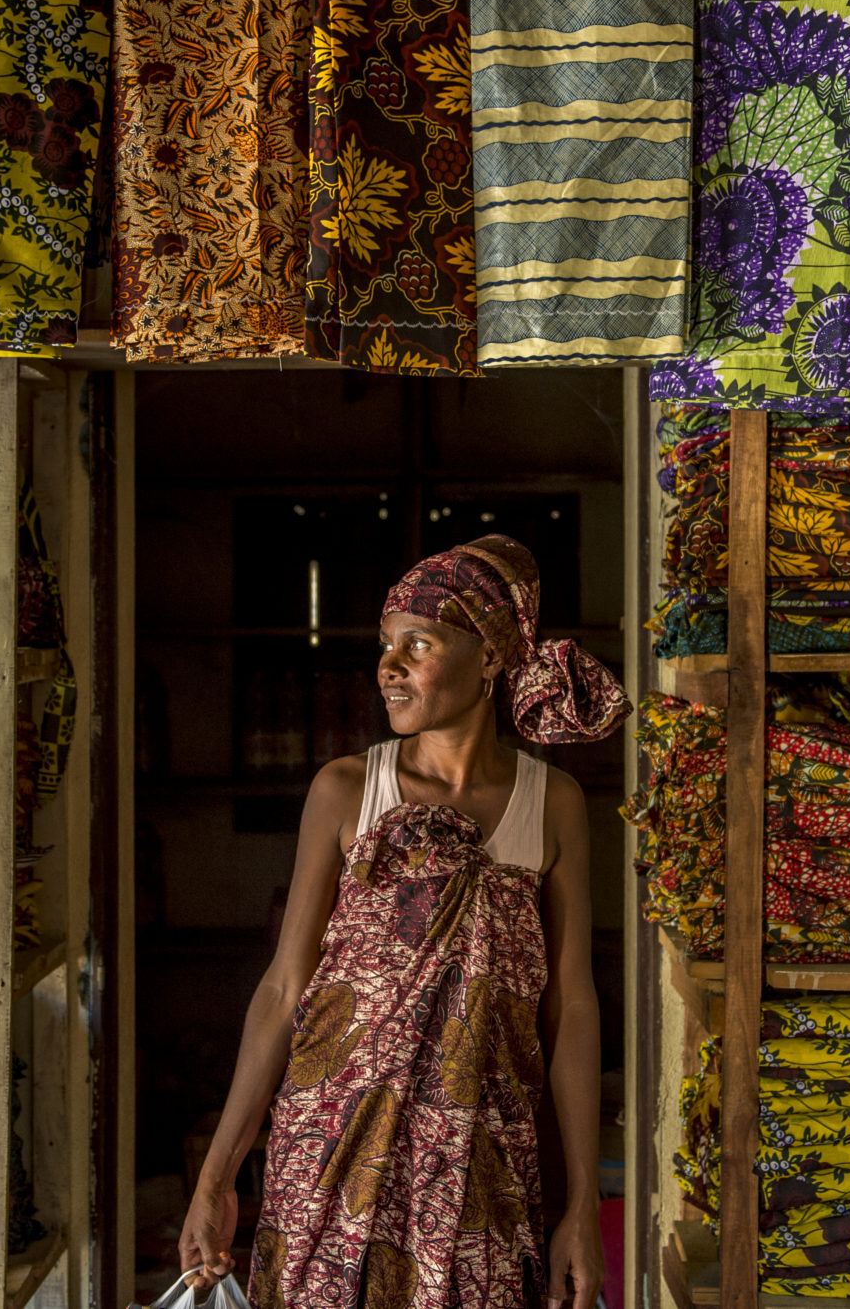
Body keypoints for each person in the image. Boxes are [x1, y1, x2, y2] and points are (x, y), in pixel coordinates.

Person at [177, 536, 631, 1309]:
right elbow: (285, 989)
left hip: (481, 1170)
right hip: (328, 1160)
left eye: (416, 644)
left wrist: (581, 1205)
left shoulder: (551, 805)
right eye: (386, 645)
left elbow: (573, 1007)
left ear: (489, 657)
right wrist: (217, 1175)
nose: (389, 666)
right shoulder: (347, 789)